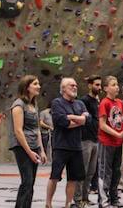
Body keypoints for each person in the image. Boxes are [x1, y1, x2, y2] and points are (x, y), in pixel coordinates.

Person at [46, 78, 89, 208]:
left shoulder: (80, 104)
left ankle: (68, 204)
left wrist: (73, 117)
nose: (75, 87)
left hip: (76, 146)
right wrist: (80, 120)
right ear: (63, 88)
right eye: (71, 85)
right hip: (61, 146)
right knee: (55, 176)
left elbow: (88, 119)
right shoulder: (57, 103)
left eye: (76, 85)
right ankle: (48, 203)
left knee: (73, 178)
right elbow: (62, 122)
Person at [9, 75, 47, 208]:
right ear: (27, 87)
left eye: (39, 83)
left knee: (31, 183)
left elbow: (37, 129)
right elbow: (18, 131)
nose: (39, 86)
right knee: (27, 181)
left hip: (33, 147)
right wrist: (29, 152)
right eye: (35, 84)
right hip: (22, 147)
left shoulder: (33, 105)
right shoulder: (18, 105)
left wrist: (41, 150)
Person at [97, 76, 123, 208]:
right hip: (106, 142)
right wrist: (117, 133)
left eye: (117, 84)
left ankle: (114, 198)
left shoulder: (120, 103)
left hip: (118, 142)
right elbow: (102, 125)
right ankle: (103, 200)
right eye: (113, 85)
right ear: (106, 88)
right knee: (105, 171)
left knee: (116, 171)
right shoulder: (104, 103)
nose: (116, 87)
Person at [74, 75, 102, 207]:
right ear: (90, 85)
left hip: (95, 139)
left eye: (100, 85)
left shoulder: (97, 101)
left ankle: (85, 197)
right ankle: (78, 199)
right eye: (96, 85)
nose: (99, 87)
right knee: (82, 171)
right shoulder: (84, 100)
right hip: (85, 139)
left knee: (91, 172)